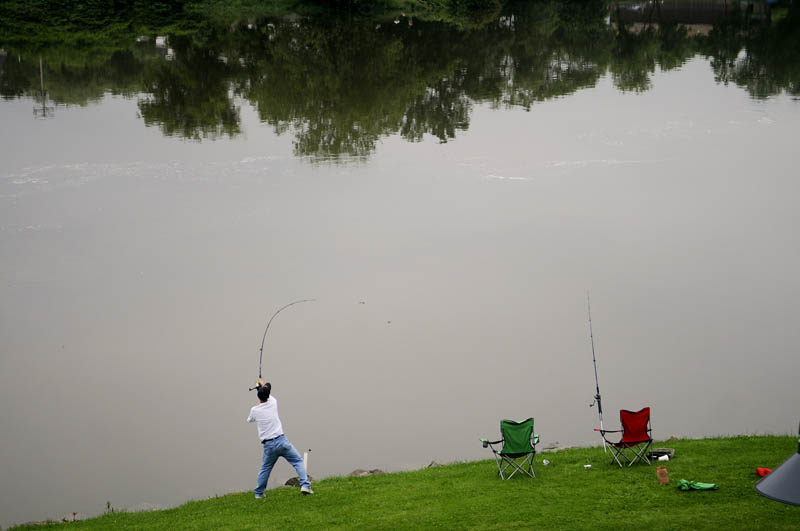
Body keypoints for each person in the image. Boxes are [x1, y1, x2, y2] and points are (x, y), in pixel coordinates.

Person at [247, 380, 313, 498]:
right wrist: (262, 386)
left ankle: (259, 493)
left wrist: (259, 393)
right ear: (268, 395)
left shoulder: (254, 410)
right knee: (298, 461)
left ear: (259, 396)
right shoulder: (273, 402)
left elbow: (250, 420)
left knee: (265, 469)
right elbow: (267, 389)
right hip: (282, 441)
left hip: (269, 446)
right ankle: (305, 485)